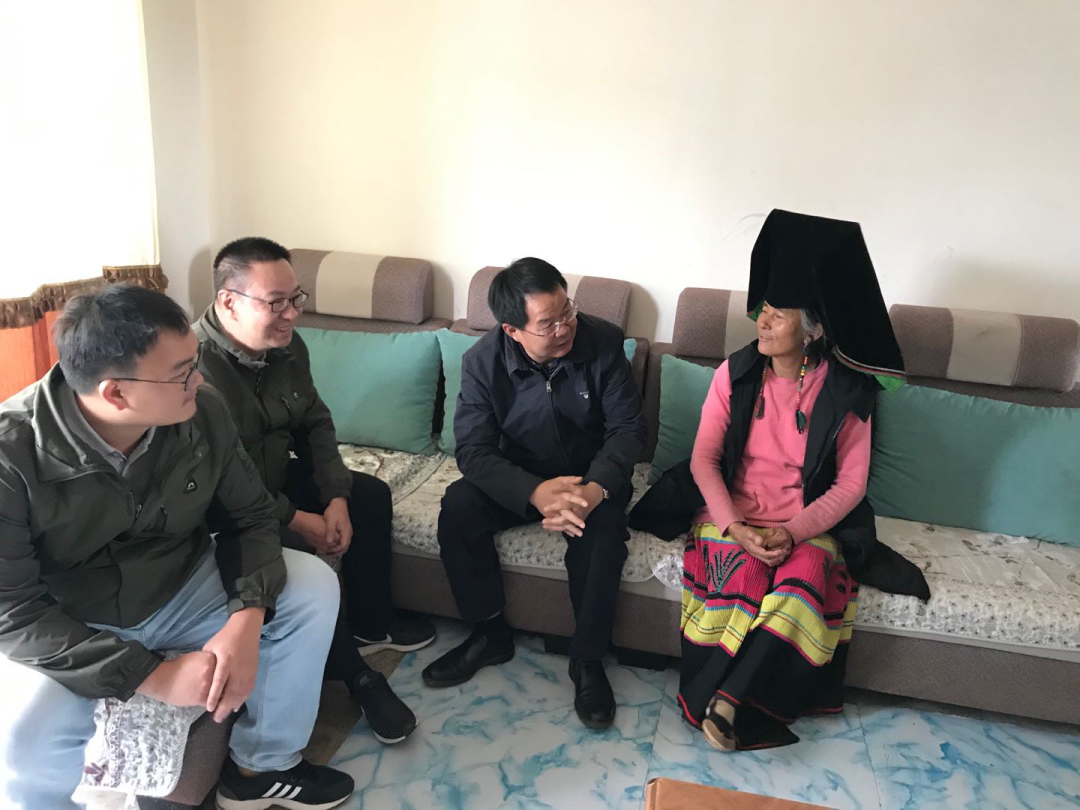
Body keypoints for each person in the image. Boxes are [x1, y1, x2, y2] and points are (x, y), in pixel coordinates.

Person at [0, 285, 353, 809]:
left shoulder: (201, 412)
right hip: (74, 616)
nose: (200, 379)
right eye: (183, 372)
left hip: (181, 582)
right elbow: (13, 613)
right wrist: (153, 676)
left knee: (313, 586)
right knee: (24, 736)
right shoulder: (10, 456)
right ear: (115, 393)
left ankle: (262, 767)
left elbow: (251, 516)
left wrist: (247, 617)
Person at [679, 210, 907, 751]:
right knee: (744, 576)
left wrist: (794, 531)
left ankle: (727, 702)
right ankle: (733, 703)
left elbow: (850, 485)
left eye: (777, 315)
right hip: (732, 520)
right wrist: (736, 528)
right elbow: (702, 460)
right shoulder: (734, 375)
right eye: (762, 310)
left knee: (804, 580)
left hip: (804, 526)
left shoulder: (846, 391)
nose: (761, 322)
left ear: (812, 330)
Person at [195, 237, 434, 745]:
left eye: (295, 298)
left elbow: (314, 423)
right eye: (275, 302)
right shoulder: (193, 372)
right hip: (225, 510)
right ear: (229, 302)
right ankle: (358, 678)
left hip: (274, 478)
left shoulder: (286, 347)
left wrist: (335, 498)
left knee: (368, 495)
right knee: (299, 565)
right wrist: (299, 520)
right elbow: (224, 485)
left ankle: (373, 624)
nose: (291, 314)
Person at [422, 257, 647, 730]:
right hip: (520, 476)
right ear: (512, 330)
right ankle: (489, 633)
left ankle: (587, 659)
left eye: (568, 312)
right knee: (458, 507)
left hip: (591, 476)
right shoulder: (482, 363)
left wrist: (594, 488)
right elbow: (474, 451)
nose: (565, 328)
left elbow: (627, 431)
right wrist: (535, 492)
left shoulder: (604, 342)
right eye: (549, 324)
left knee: (602, 534)